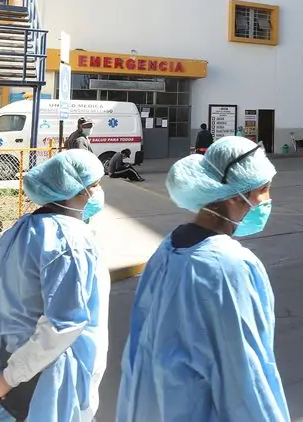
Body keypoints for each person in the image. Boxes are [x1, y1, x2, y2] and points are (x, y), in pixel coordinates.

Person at [116, 137, 290, 422]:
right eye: (264, 190)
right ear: (236, 195)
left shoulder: (169, 247)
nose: (268, 201)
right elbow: (247, 379)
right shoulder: (230, 266)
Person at [0, 149, 109, 422]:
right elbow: (64, 323)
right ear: (77, 191)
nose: (99, 192)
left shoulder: (17, 232)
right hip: (44, 379)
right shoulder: (72, 240)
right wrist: (7, 378)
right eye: (96, 185)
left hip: (4, 375)